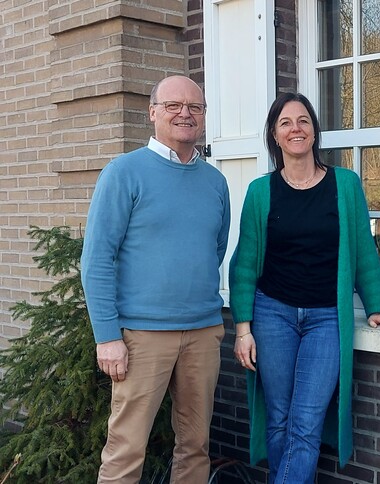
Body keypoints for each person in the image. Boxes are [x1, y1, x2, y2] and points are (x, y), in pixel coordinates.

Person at [229, 92, 380, 483]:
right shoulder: (260, 192)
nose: (295, 128)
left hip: (325, 318)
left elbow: (363, 253)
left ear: (315, 132)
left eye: (303, 121)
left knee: (305, 421)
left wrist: (376, 305)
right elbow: (245, 264)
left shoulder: (345, 185)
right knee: (280, 418)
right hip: (272, 314)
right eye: (285, 122)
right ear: (275, 135)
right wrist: (243, 328)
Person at [81, 75, 231, 483]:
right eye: (173, 105)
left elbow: (213, 250)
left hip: (202, 332)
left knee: (195, 446)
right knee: (126, 450)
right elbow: (96, 260)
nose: (185, 113)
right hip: (142, 337)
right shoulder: (124, 173)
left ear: (203, 117)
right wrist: (107, 336)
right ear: (152, 113)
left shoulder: (215, 182)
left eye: (195, 107)